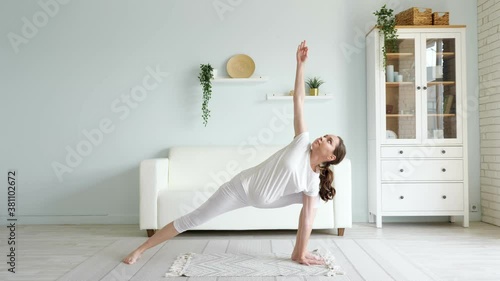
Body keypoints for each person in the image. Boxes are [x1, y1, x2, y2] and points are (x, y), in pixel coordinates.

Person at [123, 40, 346, 266]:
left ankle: (299, 253)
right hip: (240, 189)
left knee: (313, 201)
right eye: (326, 135)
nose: (323, 137)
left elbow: (307, 219)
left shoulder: (312, 179)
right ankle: (141, 250)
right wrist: (300, 65)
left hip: (268, 200)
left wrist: (303, 244)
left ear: (331, 157)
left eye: (329, 141)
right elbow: (298, 100)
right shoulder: (302, 142)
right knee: (193, 219)